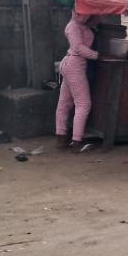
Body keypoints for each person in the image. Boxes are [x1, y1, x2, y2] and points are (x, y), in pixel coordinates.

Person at [55, 9, 99, 150]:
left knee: (65, 103)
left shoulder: (80, 25)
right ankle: (76, 141)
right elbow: (78, 48)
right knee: (84, 104)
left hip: (70, 64)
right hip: (75, 65)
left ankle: (61, 138)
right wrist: (97, 55)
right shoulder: (74, 26)